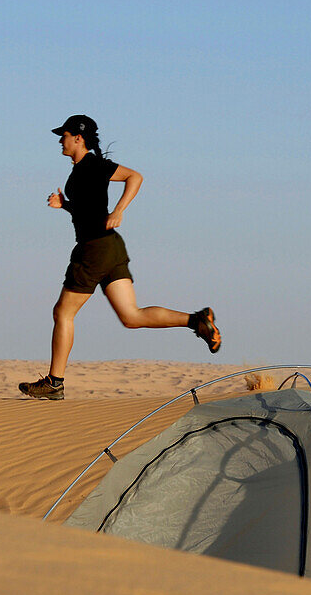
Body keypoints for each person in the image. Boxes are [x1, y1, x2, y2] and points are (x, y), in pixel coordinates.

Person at [19, 114, 221, 400]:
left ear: (78, 137)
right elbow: (88, 212)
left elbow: (135, 176)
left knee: (63, 313)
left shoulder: (92, 165)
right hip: (111, 247)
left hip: (94, 249)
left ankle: (55, 382)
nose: (60, 141)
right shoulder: (81, 170)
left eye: (63, 136)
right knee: (131, 316)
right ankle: (195, 320)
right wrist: (65, 205)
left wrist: (119, 209)